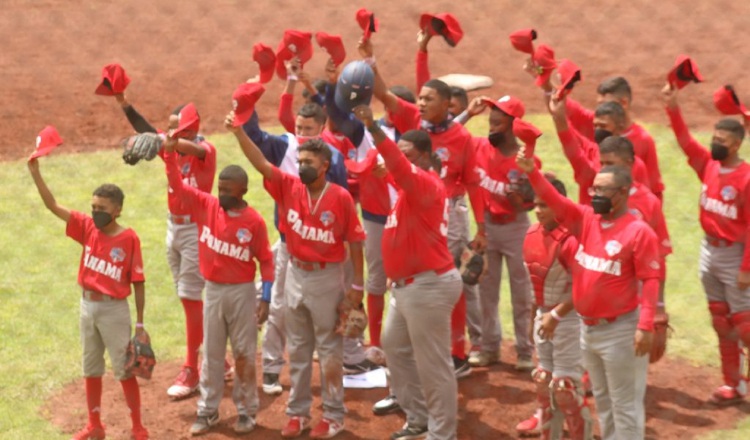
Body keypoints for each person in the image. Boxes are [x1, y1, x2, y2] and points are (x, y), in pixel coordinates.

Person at [230, 110, 366, 439]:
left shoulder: (340, 198)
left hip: (326, 278)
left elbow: (356, 242)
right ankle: (298, 413)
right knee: (301, 348)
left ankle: (333, 415)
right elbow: (261, 163)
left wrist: (357, 287)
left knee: (330, 349)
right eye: (300, 159)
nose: (302, 165)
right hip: (295, 273)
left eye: (309, 162)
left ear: (324, 167)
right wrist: (238, 133)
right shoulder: (289, 187)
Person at [517, 152, 661, 440]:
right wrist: (533, 172)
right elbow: (557, 202)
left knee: (625, 406)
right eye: (594, 188)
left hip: (620, 329)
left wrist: (645, 326)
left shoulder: (638, 232)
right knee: (605, 403)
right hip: (588, 329)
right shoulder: (587, 220)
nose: (595, 194)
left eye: (602, 190)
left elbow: (651, 280)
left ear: (622, 193)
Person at [365, 37, 484, 379]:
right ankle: (417, 346)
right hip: (414, 214)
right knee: (412, 277)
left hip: (450, 215)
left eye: (429, 99)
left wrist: (482, 229)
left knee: (450, 281)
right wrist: (371, 59)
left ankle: (457, 351)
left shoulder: (462, 137)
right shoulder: (413, 121)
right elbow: (385, 95)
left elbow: (474, 184)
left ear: (448, 104)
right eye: (419, 98)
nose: (420, 102)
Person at [353, 104, 462, 440]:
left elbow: (400, 168)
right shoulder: (407, 194)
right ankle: (418, 418)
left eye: (409, 155)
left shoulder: (426, 184)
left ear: (426, 157)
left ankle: (442, 434)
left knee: (433, 364)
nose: (401, 160)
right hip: (407, 287)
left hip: (428, 286)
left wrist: (372, 126)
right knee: (395, 347)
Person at [154, 133, 275, 435]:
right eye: (220, 188)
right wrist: (169, 155)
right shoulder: (206, 205)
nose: (221, 193)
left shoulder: (254, 222)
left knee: (245, 352)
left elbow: (266, 261)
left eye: (228, 190)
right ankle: (207, 411)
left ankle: (246, 412)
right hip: (214, 291)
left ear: (243, 191)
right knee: (211, 353)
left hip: (242, 293)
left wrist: (266, 297)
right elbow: (178, 186)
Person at [107, 93, 224, 399]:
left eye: (175, 128)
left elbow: (189, 146)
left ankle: (192, 370)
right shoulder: (170, 146)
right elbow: (147, 129)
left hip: (196, 230)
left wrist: (162, 142)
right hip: (173, 228)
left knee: (190, 299)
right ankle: (218, 359)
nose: (169, 132)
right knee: (189, 297)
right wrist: (122, 101)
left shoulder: (205, 149)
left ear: (189, 128)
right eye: (168, 128)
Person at [28, 157, 149, 440]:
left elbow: (139, 282)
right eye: (93, 207)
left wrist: (140, 324)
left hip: (114, 310)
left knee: (124, 369)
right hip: (87, 306)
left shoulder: (129, 239)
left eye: (102, 208)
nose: (95, 212)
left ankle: (138, 428)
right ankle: (95, 426)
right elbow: (52, 206)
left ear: (117, 210)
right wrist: (36, 173)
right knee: (90, 366)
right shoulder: (87, 227)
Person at [662, 84, 750, 405]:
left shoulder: (746, 178)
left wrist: (746, 269)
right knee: (719, 320)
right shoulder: (709, 166)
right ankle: (734, 385)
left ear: (737, 144)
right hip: (707, 252)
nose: (715, 144)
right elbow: (686, 143)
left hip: (734, 254)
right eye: (714, 138)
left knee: (744, 325)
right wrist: (673, 108)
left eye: (722, 141)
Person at [514, 176, 593, 440]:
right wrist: (536, 320)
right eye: (536, 204)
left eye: (545, 205)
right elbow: (538, 286)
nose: (538, 210)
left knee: (564, 387)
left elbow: (582, 288)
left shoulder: (571, 240)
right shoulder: (530, 234)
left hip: (568, 319)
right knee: (543, 379)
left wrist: (556, 315)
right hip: (543, 317)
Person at [465, 95, 536, 371]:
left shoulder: (525, 159)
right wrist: (469, 114)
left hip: (516, 228)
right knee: (486, 291)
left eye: (498, 122)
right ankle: (490, 348)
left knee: (522, 293)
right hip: (486, 229)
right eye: (491, 121)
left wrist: (518, 198)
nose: (492, 126)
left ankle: (525, 352)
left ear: (513, 125)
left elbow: (528, 203)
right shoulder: (479, 146)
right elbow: (450, 135)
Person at [563, 76, 664, 200]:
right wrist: (547, 85)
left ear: (624, 103)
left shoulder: (644, 141)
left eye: (606, 104)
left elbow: (654, 191)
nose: (601, 110)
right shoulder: (597, 124)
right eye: (599, 105)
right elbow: (566, 110)